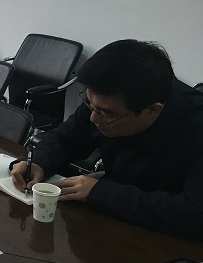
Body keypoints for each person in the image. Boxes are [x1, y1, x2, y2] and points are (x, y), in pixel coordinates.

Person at [11, 39, 203, 239]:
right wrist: (39, 163)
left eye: (106, 113)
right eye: (90, 104)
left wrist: (100, 192)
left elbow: (195, 214)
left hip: (168, 241)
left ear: (151, 111)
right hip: (113, 222)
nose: (93, 118)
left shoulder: (195, 127)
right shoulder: (105, 101)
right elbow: (65, 139)